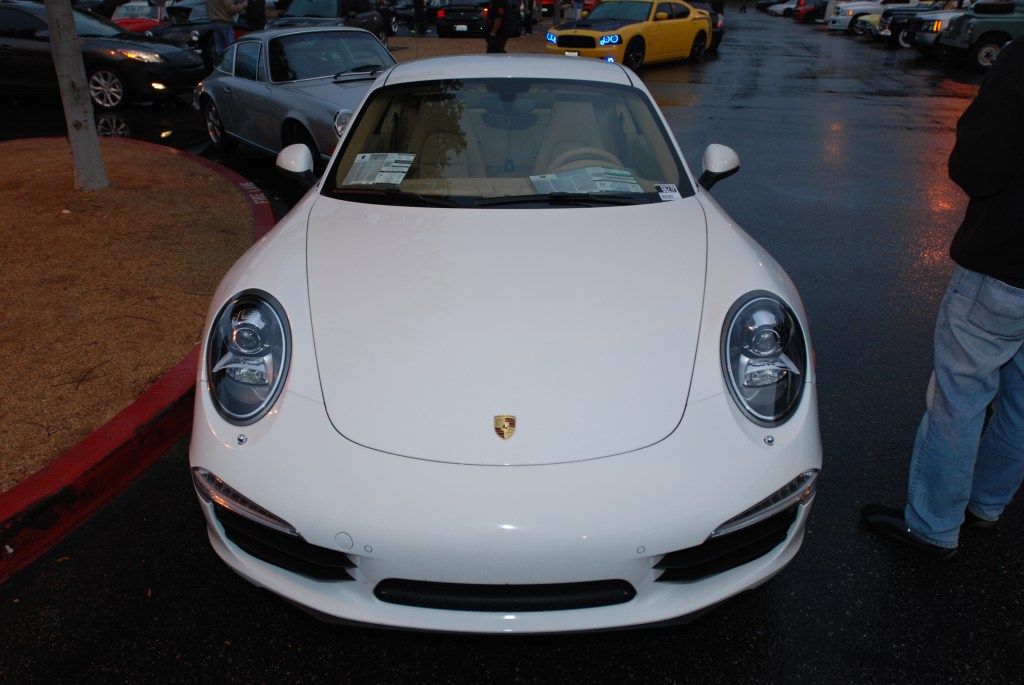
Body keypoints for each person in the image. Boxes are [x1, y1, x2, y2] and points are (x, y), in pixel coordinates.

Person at [861, 36, 1024, 560]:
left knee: (959, 399)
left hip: (1007, 262)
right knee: (1022, 406)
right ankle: (987, 505)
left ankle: (933, 526)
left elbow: (978, 164)